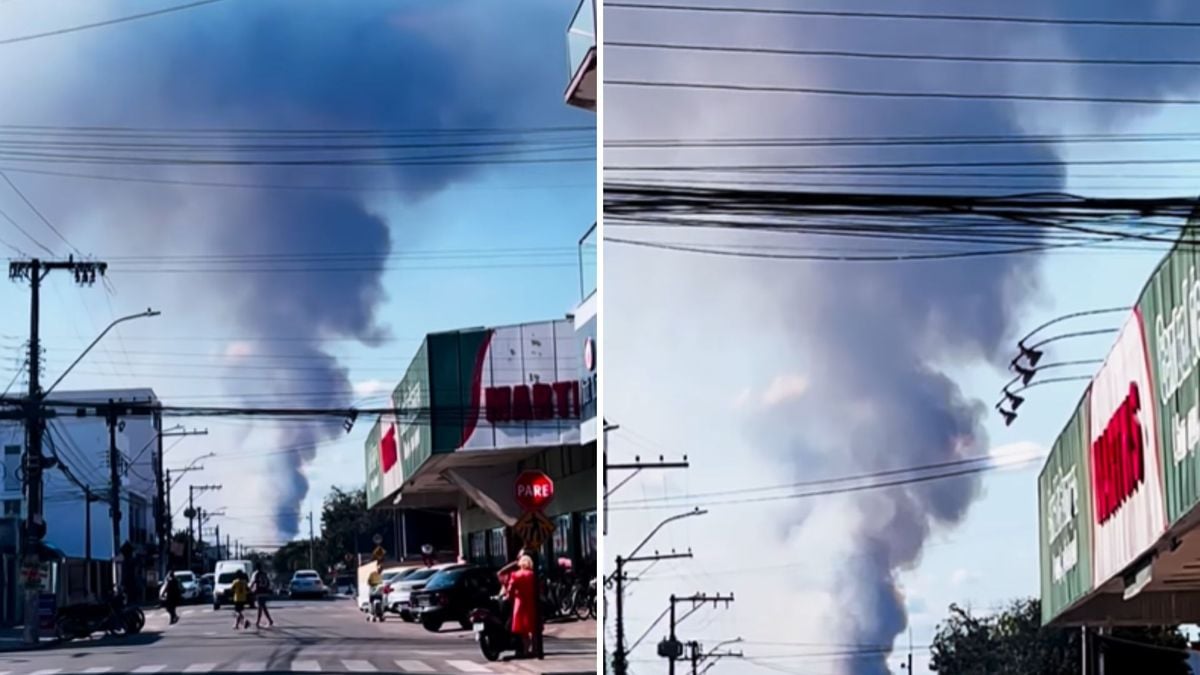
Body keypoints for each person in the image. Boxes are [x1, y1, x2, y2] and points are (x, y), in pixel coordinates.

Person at [504, 555, 538, 658]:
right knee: (533, 627)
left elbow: (510, 589)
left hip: (520, 603)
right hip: (531, 603)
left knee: (523, 629)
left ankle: (526, 650)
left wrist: (508, 597)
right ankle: (535, 648)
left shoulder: (516, 575)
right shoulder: (532, 575)